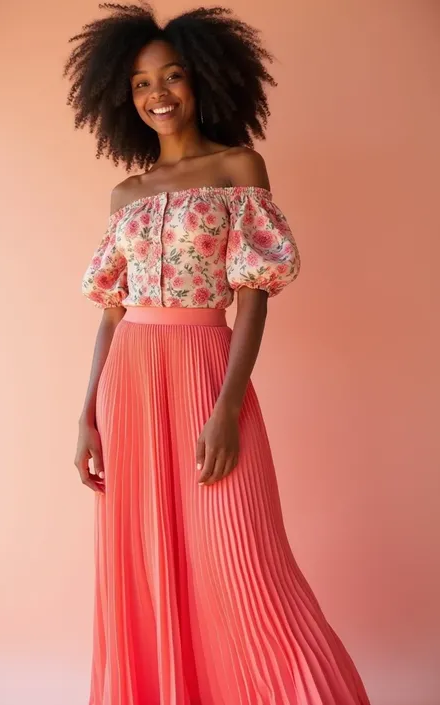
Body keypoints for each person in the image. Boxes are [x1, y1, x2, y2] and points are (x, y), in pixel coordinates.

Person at [66, 5, 371, 704]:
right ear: (122, 94)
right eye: (142, 84)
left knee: (244, 562)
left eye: (173, 76)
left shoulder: (239, 167)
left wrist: (228, 403)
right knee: (144, 567)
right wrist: (85, 413)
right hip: (129, 385)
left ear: (202, 81)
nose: (158, 94)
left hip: (206, 370)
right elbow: (112, 312)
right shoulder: (126, 194)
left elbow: (253, 295)